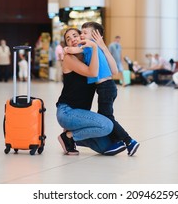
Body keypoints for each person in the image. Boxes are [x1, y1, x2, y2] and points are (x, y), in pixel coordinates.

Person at [65, 22, 140, 156]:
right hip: (108, 87)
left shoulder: (89, 47)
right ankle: (117, 140)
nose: (82, 36)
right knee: (105, 116)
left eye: (84, 33)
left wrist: (67, 49)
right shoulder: (95, 48)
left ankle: (129, 141)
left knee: (107, 117)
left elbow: (72, 50)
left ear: (95, 36)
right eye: (81, 33)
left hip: (105, 87)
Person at [56, 28, 122, 156]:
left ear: (81, 37)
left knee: (107, 147)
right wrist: (95, 47)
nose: (72, 39)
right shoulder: (69, 58)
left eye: (75, 35)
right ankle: (68, 136)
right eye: (68, 39)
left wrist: (98, 46)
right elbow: (92, 72)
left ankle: (72, 133)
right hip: (67, 112)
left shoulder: (88, 56)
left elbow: (114, 71)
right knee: (106, 126)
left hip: (80, 114)